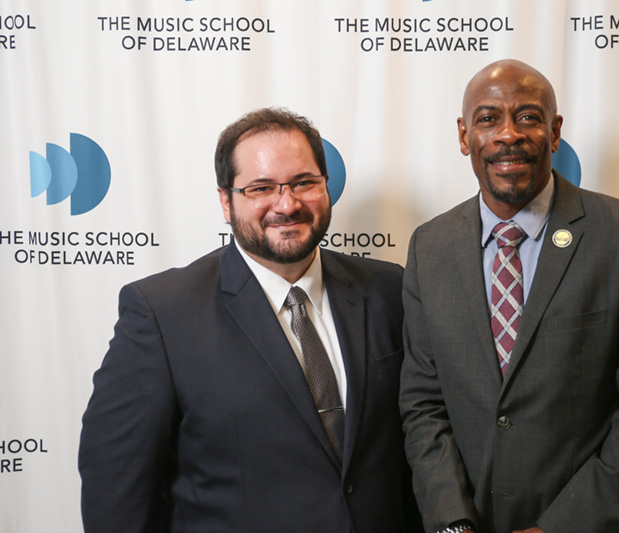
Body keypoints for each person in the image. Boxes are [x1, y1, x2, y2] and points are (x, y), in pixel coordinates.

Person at [79, 107, 421, 532]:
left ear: (326, 187)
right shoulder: (161, 314)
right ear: (226, 201)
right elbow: (116, 488)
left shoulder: (388, 289)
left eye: (304, 182)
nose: (287, 203)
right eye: (260, 188)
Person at [399, 59, 619, 533]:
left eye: (529, 117)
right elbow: (422, 403)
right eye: (488, 118)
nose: (508, 134)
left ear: (555, 133)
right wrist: (452, 519)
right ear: (463, 135)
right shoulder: (429, 247)